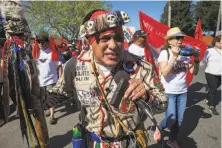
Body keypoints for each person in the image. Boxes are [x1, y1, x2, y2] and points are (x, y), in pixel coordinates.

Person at [46, 9, 166, 147]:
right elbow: (59, 95)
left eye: (119, 38)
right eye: (104, 38)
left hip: (132, 142)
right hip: (93, 142)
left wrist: (146, 96)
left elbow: (163, 104)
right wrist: (36, 97)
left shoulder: (141, 66)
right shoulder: (74, 66)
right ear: (90, 41)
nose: (114, 45)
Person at [156, 27, 200, 148]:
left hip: (182, 91)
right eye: (177, 37)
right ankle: (159, 128)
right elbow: (164, 72)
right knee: (172, 118)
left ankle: (172, 139)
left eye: (181, 37)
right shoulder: (165, 53)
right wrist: (174, 57)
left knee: (179, 121)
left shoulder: (186, 54)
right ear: (169, 41)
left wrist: (196, 60)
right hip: (168, 91)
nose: (180, 40)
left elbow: (194, 72)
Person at [35, 34, 62, 125]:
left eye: (42, 42)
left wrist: (60, 79)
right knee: (43, 98)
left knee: (51, 98)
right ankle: (48, 109)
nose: (40, 44)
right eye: (38, 42)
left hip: (51, 80)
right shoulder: (36, 53)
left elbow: (59, 66)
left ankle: (52, 116)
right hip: (40, 81)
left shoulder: (52, 52)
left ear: (47, 42)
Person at [202, 35, 221, 115]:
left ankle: (208, 97)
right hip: (210, 73)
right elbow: (203, 60)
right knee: (213, 89)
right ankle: (211, 106)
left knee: (214, 88)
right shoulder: (209, 51)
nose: (221, 43)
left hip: (220, 74)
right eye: (219, 41)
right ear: (215, 42)